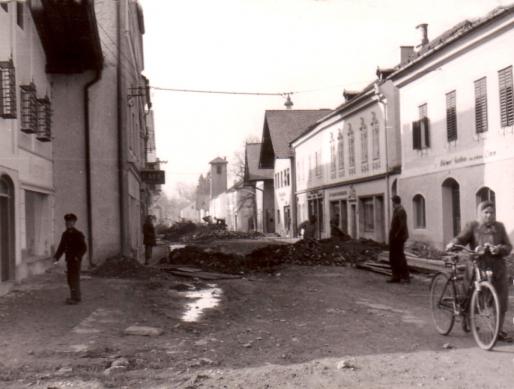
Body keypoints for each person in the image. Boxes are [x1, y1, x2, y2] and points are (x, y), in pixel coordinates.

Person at [446, 200, 512, 342]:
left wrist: (499, 249)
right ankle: (466, 318)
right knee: (470, 294)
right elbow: (461, 239)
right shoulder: (473, 226)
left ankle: (497, 331)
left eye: (492, 212)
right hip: (478, 265)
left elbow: (508, 246)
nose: (489, 215)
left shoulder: (500, 227)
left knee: (501, 300)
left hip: (498, 268)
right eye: (486, 212)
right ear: (480, 213)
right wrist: (453, 243)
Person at [53, 213, 87, 305]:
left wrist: (77, 257)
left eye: (71, 222)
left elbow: (83, 248)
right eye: (67, 222)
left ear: (74, 223)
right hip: (69, 260)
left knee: (74, 278)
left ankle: (75, 298)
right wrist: (56, 257)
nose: (68, 224)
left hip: (75, 260)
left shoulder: (78, 234)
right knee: (70, 278)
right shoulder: (65, 235)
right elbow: (61, 247)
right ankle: (75, 296)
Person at [388, 195, 410, 283]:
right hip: (395, 237)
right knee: (394, 257)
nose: (392, 204)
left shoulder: (401, 211)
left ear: (395, 202)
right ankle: (396, 276)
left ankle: (405, 277)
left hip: (398, 238)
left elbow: (402, 225)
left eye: (392, 202)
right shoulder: (396, 210)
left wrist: (396, 235)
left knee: (399, 257)